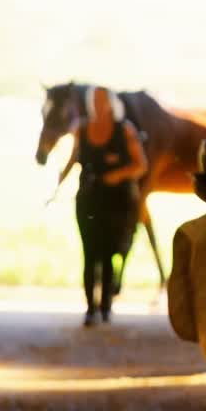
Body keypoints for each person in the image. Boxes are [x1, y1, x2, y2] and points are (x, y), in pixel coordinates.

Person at [62, 86, 148, 326]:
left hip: (116, 202)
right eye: (95, 101)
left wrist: (118, 175)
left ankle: (106, 307)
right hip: (89, 200)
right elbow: (72, 158)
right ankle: (91, 308)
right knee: (90, 254)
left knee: (109, 255)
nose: (98, 105)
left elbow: (141, 164)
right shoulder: (83, 129)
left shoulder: (125, 130)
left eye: (102, 100)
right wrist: (60, 180)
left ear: (111, 103)